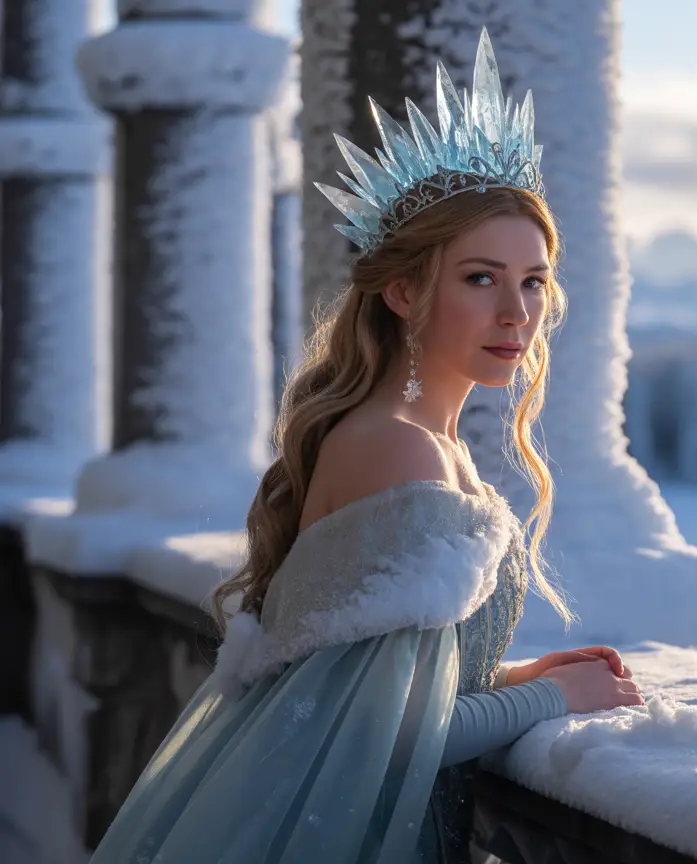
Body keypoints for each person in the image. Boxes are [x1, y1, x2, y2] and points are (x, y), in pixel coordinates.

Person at [88, 28, 643, 864]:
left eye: (533, 281)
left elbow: (361, 686)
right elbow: (375, 740)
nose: (517, 314)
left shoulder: (420, 443)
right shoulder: (400, 450)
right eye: (480, 277)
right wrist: (552, 700)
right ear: (402, 291)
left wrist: (515, 677)